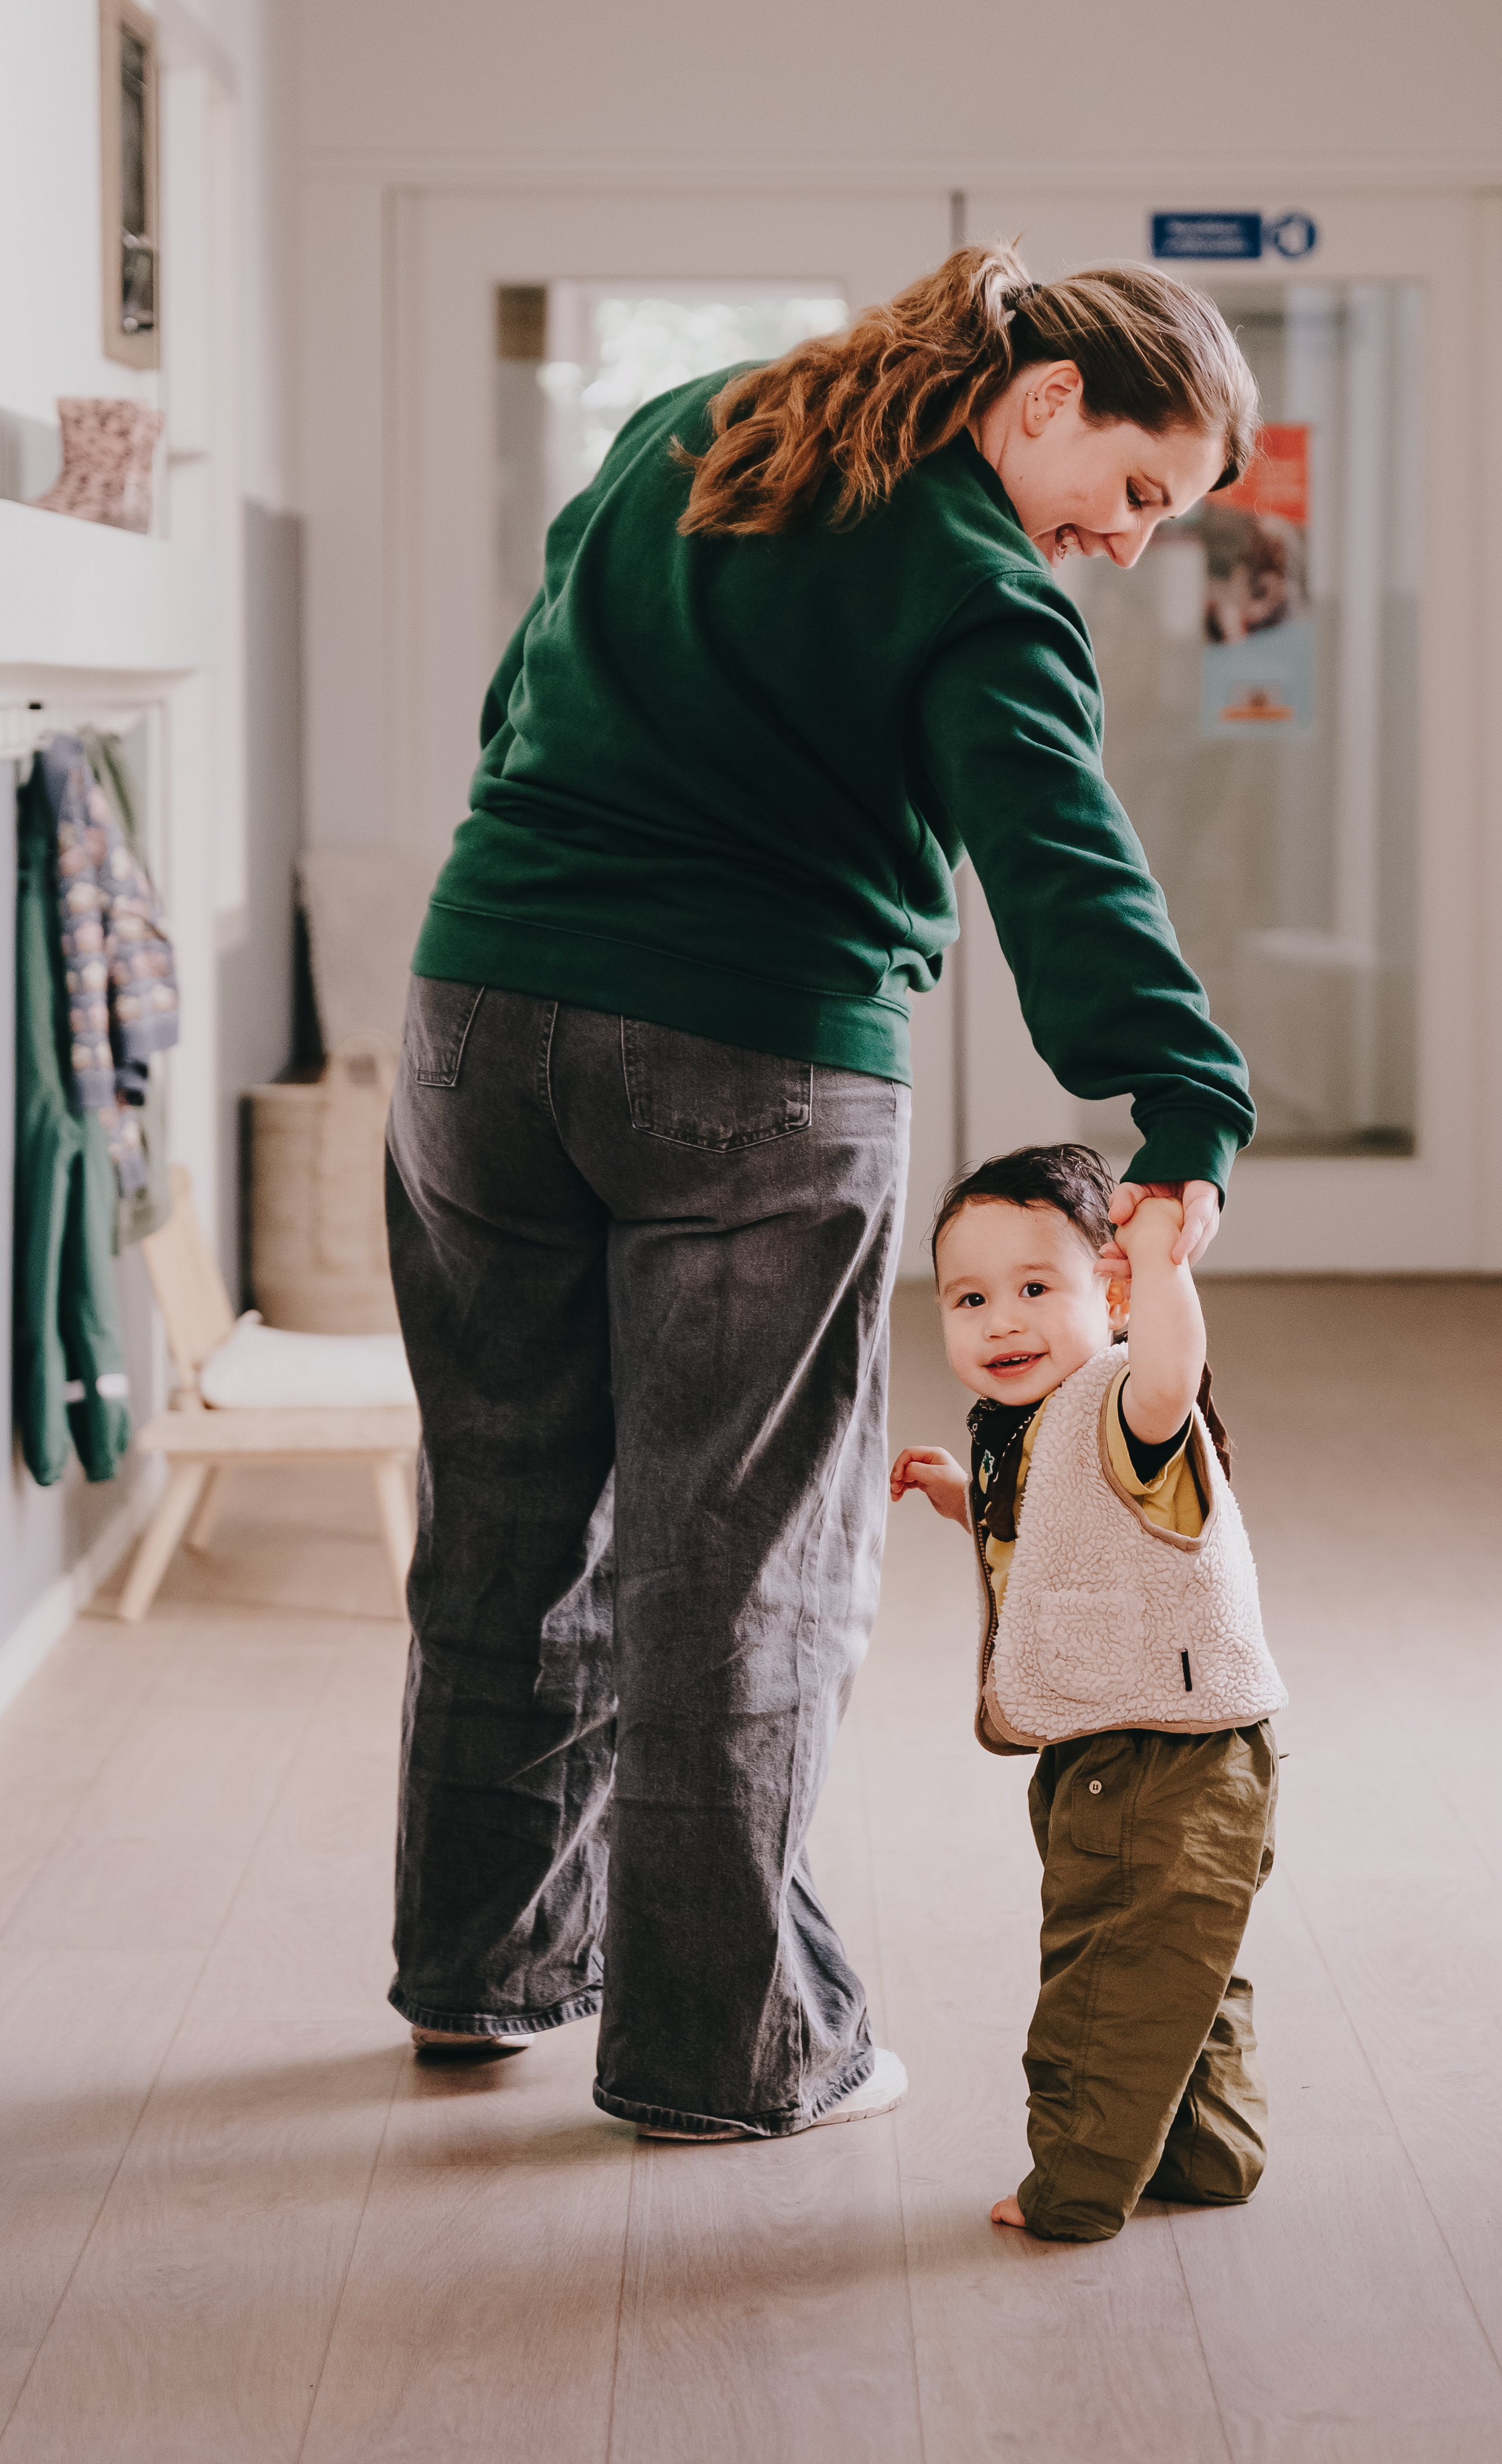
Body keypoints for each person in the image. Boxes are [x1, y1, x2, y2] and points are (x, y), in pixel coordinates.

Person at [386, 242, 1259, 2142]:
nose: (1120, 544)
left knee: (506, 1513)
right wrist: (1187, 1095)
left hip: (472, 1016)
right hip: (750, 1061)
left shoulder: (690, 432)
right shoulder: (972, 584)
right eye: (1131, 492)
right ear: (1043, 403)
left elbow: (525, 696)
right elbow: (1063, 866)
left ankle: (479, 1969)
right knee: (737, 1561)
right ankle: (725, 2051)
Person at [890, 1143, 1284, 2241]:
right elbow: (1072, 1538)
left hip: (1159, 1756)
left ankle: (1075, 2187)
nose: (1000, 1321)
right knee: (1176, 1972)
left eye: (1035, 1289)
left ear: (1109, 1297)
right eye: (969, 1298)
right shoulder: (1038, 1422)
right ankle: (1207, 2152)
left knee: (1105, 1982)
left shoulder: (1124, 1396)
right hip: (1124, 1743)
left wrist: (1160, 1261)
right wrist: (967, 1502)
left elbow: (1164, 1375)